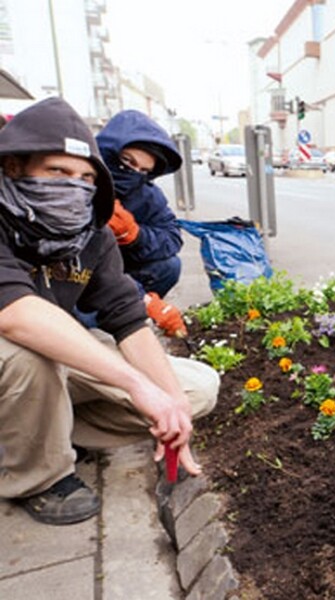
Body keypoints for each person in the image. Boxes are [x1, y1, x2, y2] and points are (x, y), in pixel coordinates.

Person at [0, 97, 219, 526]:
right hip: (15, 357)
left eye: (84, 178)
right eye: (57, 172)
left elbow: (126, 318)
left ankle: (43, 432)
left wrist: (170, 406)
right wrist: (136, 386)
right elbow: (15, 315)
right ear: (13, 167)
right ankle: (38, 475)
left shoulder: (89, 234)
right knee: (29, 359)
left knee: (195, 391)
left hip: (50, 365)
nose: (73, 187)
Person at [95, 110, 186, 336]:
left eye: (144, 170)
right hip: (79, 278)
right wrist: (142, 299)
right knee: (85, 318)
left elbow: (172, 236)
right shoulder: (83, 184)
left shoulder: (146, 194)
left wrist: (135, 236)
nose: (134, 173)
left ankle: (121, 316)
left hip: (123, 267)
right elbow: (90, 266)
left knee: (169, 266)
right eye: (127, 161)